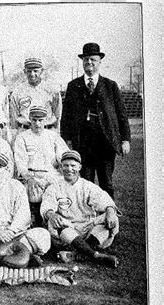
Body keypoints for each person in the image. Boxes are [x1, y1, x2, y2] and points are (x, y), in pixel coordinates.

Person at [61, 43, 131, 199]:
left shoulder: (110, 86)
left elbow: (122, 115)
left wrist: (125, 139)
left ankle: (109, 216)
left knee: (107, 183)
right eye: (86, 60)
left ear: (99, 61)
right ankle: (87, 217)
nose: (89, 63)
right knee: (85, 182)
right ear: (82, 62)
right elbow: (65, 117)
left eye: (93, 59)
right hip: (83, 145)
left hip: (105, 144)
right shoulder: (73, 86)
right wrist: (66, 141)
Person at [41, 150, 119, 267]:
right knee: (57, 223)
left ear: (79, 167)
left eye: (73, 166)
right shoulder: (54, 187)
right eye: (65, 165)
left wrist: (110, 211)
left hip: (88, 227)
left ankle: (76, 253)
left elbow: (104, 200)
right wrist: (52, 214)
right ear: (61, 167)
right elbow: (47, 206)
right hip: (68, 230)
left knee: (112, 219)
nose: (69, 169)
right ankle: (95, 255)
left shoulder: (87, 186)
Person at [13, 105, 69, 225]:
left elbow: (64, 156)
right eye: (34, 120)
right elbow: (20, 162)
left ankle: (59, 221)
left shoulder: (53, 136)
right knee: (33, 193)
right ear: (29, 119)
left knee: (62, 190)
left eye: (40, 120)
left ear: (46, 120)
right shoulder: (22, 137)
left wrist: (64, 167)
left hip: (51, 174)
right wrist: (29, 178)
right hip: (32, 175)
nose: (37, 124)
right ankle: (35, 219)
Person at [10, 57, 62, 136]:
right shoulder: (18, 91)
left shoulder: (52, 90)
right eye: (29, 71)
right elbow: (14, 117)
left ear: (42, 71)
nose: (32, 74)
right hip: (25, 131)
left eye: (35, 71)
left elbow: (57, 115)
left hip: (46, 131)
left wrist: (57, 133)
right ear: (24, 71)